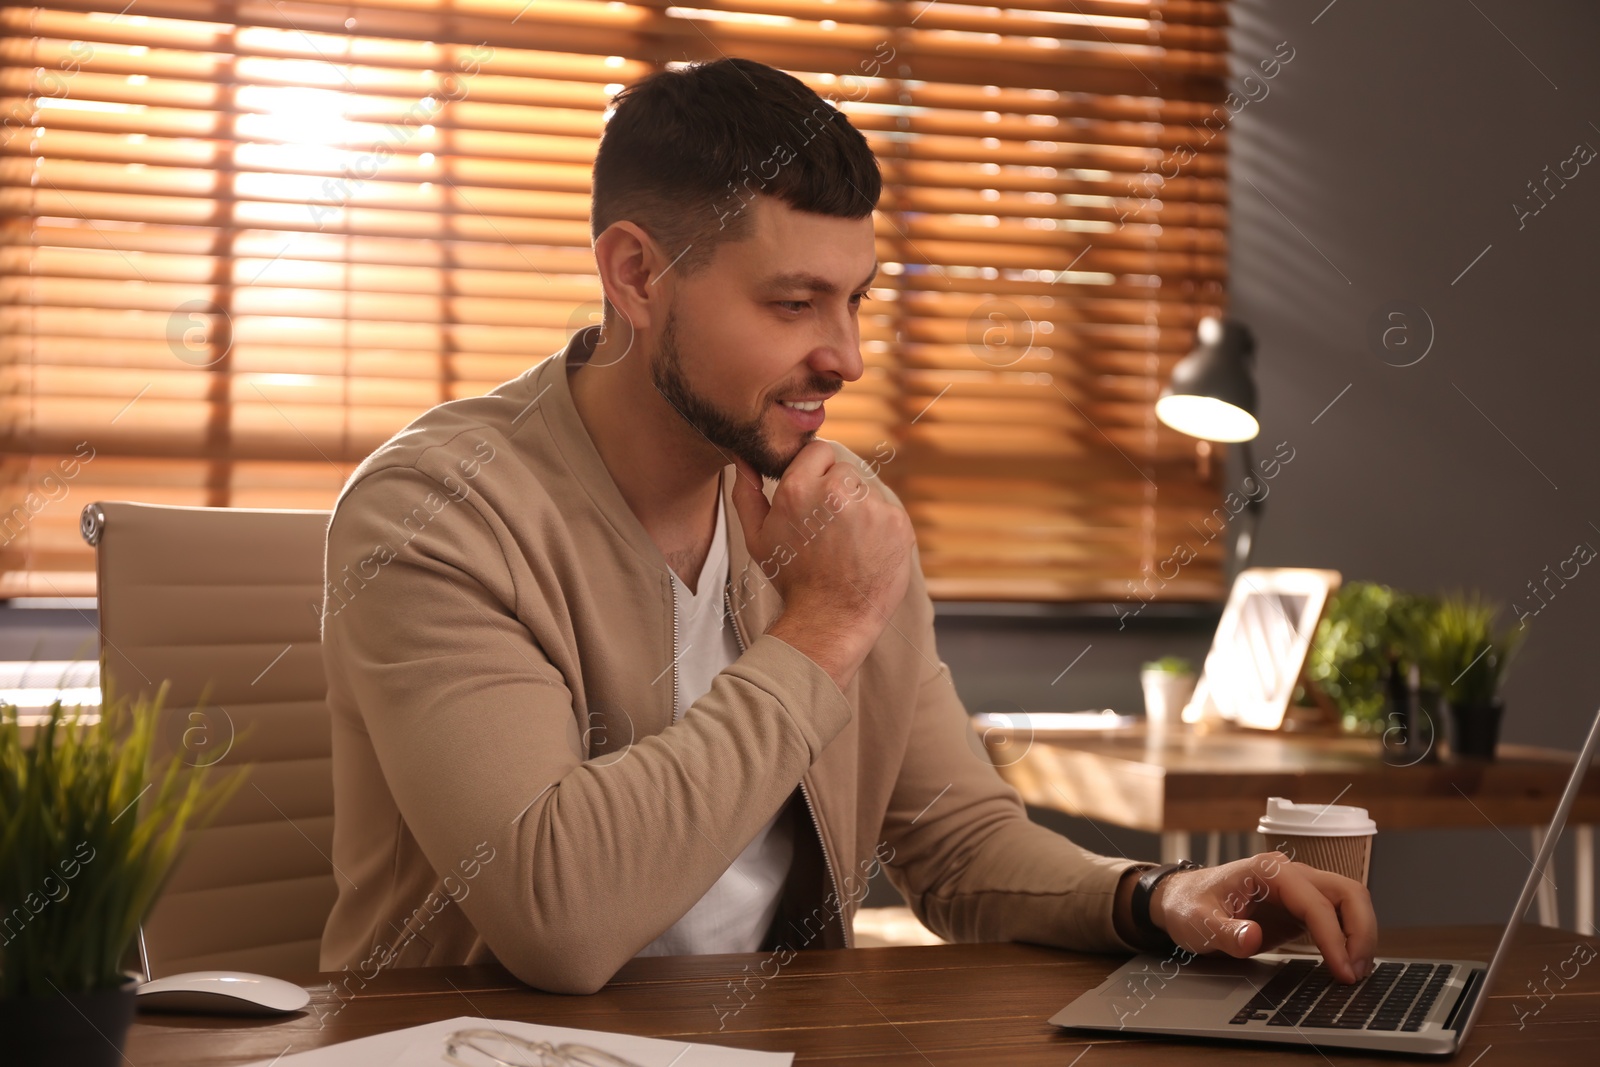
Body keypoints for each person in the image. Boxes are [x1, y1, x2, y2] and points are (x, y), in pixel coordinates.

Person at [317, 56, 1377, 996]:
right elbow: (558, 916)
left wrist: (1158, 895)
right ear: (635, 274)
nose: (848, 356)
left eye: (856, 299)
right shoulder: (435, 512)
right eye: (792, 304)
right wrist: (823, 623)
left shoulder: (834, 513)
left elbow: (955, 840)